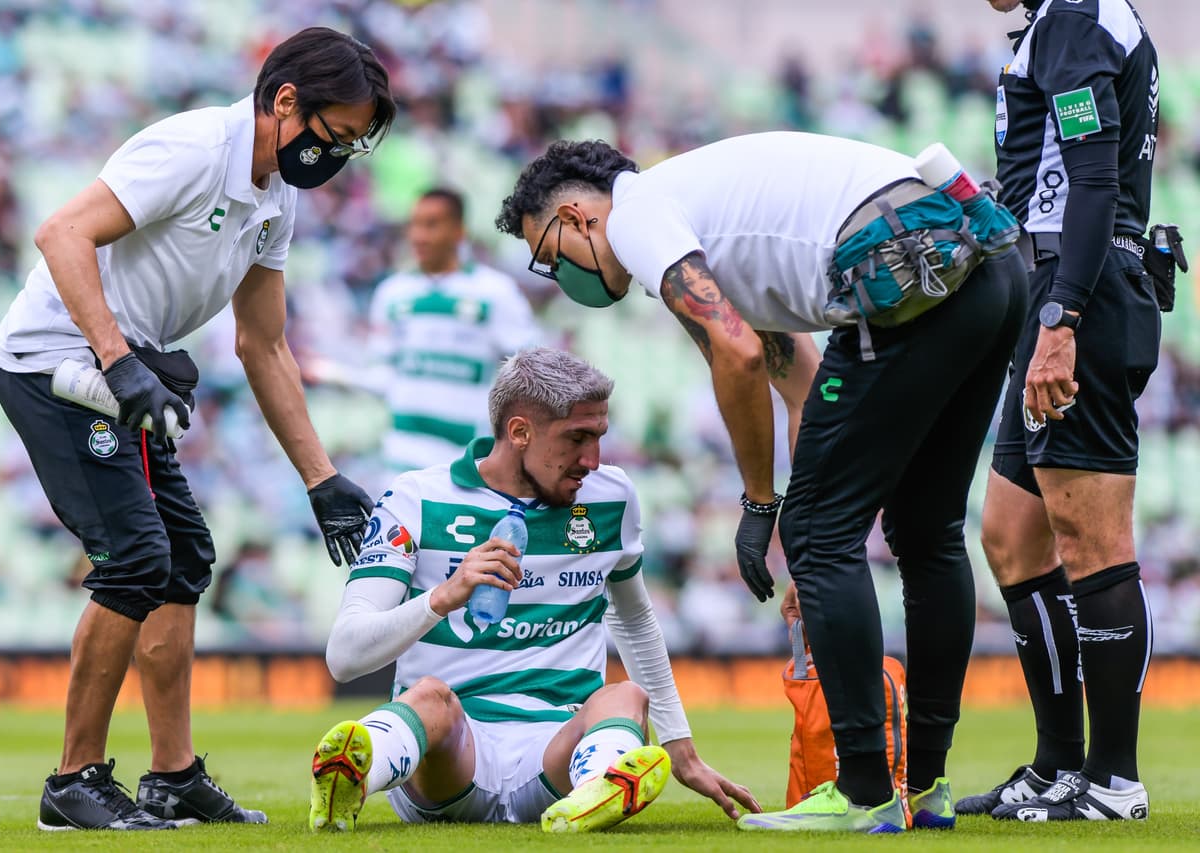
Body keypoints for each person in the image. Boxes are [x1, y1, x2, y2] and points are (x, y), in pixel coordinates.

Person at [496, 133, 1027, 832]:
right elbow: (798, 384)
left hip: (902, 264)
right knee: (924, 531)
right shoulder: (696, 213)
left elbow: (739, 354)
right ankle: (924, 787)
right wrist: (810, 536)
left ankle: (867, 790)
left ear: (572, 217)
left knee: (820, 530)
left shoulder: (634, 215)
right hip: (987, 271)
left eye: (547, 253)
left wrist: (766, 505)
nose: (559, 273)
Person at [0, 27, 395, 831]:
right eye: (336, 135)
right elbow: (61, 233)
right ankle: (72, 780)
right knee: (136, 555)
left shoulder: (275, 196)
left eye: (352, 144)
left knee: (182, 558)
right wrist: (118, 357)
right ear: (285, 102)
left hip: (119, 379)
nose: (338, 156)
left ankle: (171, 777)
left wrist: (321, 478)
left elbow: (264, 343)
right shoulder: (191, 148)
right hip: (52, 363)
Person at [309, 347, 759, 833]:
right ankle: (352, 775)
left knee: (625, 696)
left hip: (558, 751)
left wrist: (682, 750)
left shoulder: (612, 497)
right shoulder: (418, 498)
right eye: (577, 438)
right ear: (520, 431)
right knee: (429, 698)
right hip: (453, 752)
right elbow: (344, 656)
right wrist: (442, 597)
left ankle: (594, 792)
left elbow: (634, 620)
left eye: (599, 437)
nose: (592, 459)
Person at [958, 0, 1160, 823]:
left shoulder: (1074, 17)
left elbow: (1094, 175)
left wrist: (1061, 320)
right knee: (1011, 534)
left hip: (1079, 294)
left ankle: (1114, 780)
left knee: (1092, 540)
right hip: (1059, 285)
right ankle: (1055, 766)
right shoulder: (1065, 19)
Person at [368, 187, 538, 473]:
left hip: (465, 460)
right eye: (415, 225)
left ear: (459, 231)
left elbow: (529, 368)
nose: (418, 236)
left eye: (431, 225)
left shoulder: (495, 292)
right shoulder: (391, 293)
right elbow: (382, 374)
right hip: (400, 461)